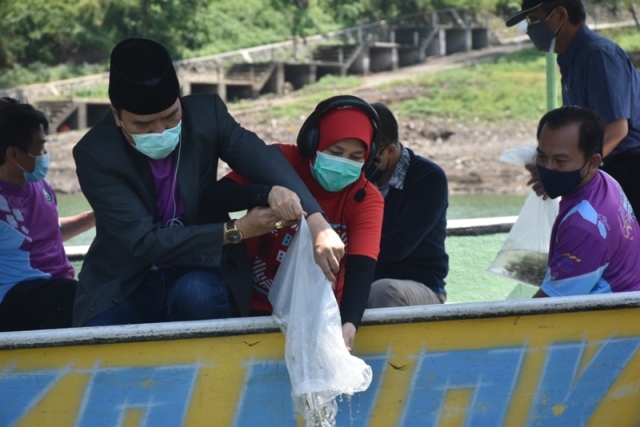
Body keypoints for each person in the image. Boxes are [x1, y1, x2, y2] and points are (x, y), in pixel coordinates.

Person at [72, 38, 344, 327]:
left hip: (201, 268)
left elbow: (261, 159)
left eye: (170, 116)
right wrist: (239, 230)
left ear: (180, 102)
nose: (161, 130)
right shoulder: (95, 154)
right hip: (125, 278)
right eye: (143, 125)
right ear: (116, 115)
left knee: (197, 297)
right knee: (103, 325)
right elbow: (144, 242)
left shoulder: (206, 115)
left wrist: (317, 222)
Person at [224, 96, 384, 351]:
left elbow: (361, 267)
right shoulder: (279, 162)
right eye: (335, 152)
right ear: (312, 144)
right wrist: (266, 193)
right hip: (253, 302)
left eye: (356, 157)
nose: (344, 162)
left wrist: (350, 322)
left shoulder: (366, 197)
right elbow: (216, 196)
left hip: (320, 313)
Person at [505, 0, 640, 219]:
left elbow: (617, 129)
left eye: (535, 20)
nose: (531, 30)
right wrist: (547, 162)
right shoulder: (572, 59)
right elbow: (581, 132)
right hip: (610, 167)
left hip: (631, 168)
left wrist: (572, 172)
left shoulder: (597, 55)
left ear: (560, 15)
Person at [0, 97, 95, 332]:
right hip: (16, 301)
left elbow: (48, 232)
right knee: (78, 297)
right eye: (40, 147)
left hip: (57, 294)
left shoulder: (39, 185)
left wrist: (99, 215)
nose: (45, 154)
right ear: (14, 154)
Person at [531, 106, 640, 298]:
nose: (548, 168)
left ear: (592, 162)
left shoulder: (582, 227)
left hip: (613, 322)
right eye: (541, 156)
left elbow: (546, 309)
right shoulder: (606, 182)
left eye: (560, 160)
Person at [364, 103, 449, 308]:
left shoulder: (429, 179)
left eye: (368, 158)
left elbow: (398, 246)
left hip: (420, 284)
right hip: (363, 278)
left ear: (390, 150)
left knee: (384, 292)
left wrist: (347, 249)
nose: (360, 165)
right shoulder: (360, 175)